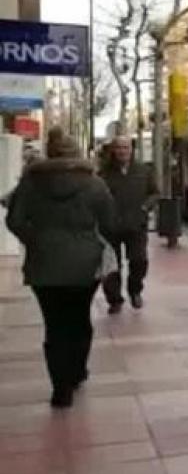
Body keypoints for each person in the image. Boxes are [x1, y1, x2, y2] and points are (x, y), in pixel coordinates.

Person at [6, 127, 116, 408]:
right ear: (77, 153)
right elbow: (109, 221)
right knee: (79, 318)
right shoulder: (94, 183)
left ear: (50, 152)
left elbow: (14, 220)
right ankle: (77, 371)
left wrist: (35, 240)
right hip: (84, 263)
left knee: (54, 326)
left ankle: (60, 389)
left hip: (44, 264)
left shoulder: (30, 183)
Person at [100, 135, 159, 314]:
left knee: (139, 260)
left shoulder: (143, 170)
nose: (122, 151)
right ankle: (114, 299)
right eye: (118, 147)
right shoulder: (103, 173)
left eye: (125, 147)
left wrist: (144, 207)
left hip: (136, 225)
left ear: (131, 150)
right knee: (111, 266)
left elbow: (155, 193)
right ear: (113, 150)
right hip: (111, 227)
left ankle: (135, 291)